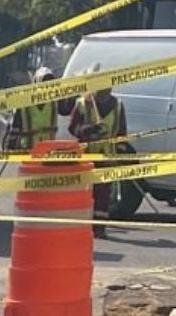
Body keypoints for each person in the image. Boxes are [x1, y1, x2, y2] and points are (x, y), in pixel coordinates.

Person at [69, 65, 128, 238]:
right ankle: (83, 226)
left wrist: (120, 155)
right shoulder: (83, 103)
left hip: (107, 157)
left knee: (103, 194)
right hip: (86, 156)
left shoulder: (118, 105)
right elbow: (73, 127)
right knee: (84, 192)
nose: (105, 90)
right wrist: (88, 130)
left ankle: (99, 228)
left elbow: (122, 133)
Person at [8, 67, 60, 151]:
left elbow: (67, 110)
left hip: (48, 150)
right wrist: (11, 145)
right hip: (29, 149)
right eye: (44, 81)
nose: (47, 86)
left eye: (50, 82)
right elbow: (16, 126)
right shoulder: (25, 103)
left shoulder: (54, 103)